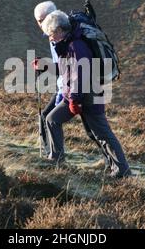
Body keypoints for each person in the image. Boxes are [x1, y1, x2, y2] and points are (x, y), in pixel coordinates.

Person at [41, 10, 132, 178]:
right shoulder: (67, 45)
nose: (50, 38)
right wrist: (45, 66)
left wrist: (74, 100)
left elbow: (80, 76)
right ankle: (56, 159)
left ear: (60, 30)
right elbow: (66, 71)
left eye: (51, 34)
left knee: (102, 134)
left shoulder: (76, 46)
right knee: (51, 119)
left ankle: (123, 171)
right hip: (76, 96)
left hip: (88, 96)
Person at [33, 1, 64, 156]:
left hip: (71, 87)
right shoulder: (55, 34)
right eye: (39, 21)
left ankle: (54, 155)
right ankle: (52, 154)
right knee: (48, 117)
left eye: (42, 20)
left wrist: (45, 66)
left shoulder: (60, 36)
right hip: (66, 85)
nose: (40, 24)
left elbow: (65, 66)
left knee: (50, 118)